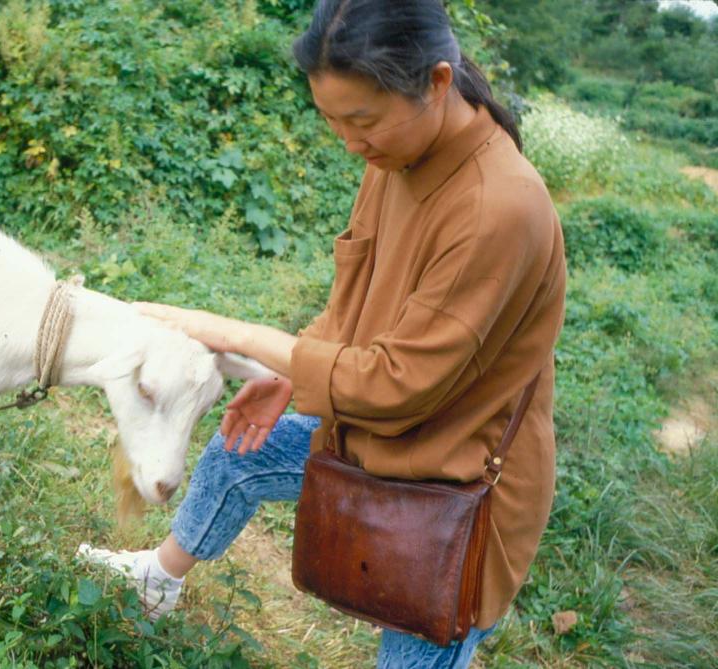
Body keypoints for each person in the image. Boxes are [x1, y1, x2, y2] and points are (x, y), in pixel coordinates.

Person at [78, 1, 566, 666]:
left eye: (361, 120)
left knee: (416, 641)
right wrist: (285, 375)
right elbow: (352, 289)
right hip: (374, 424)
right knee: (237, 449)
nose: (348, 140)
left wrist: (242, 337)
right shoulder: (395, 154)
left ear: (438, 83)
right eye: (332, 120)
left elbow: (399, 382)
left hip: (452, 476)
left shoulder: (497, 206)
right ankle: (158, 576)